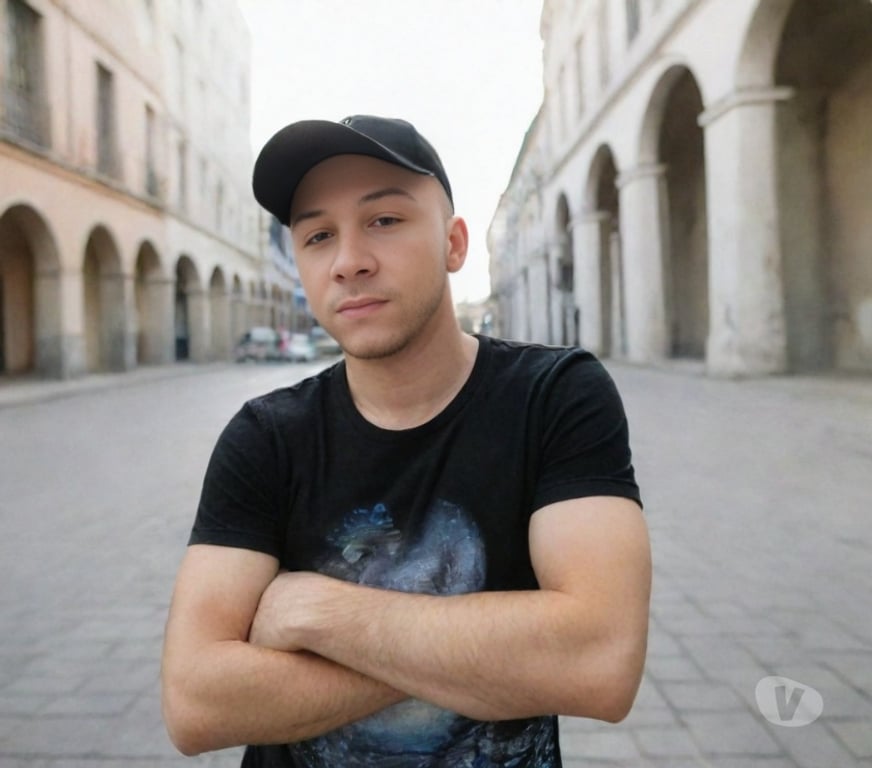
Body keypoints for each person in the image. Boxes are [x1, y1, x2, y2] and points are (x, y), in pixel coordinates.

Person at [161, 115, 651, 768]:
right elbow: (196, 704)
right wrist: (494, 659)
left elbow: (599, 662)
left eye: (385, 220)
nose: (348, 261)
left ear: (454, 244)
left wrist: (320, 617)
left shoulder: (553, 397)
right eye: (316, 235)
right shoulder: (266, 437)